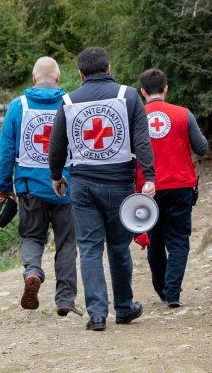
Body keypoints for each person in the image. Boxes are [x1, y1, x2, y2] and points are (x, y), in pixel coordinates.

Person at [48, 47, 156, 331]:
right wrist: (149, 177)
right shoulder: (129, 96)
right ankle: (123, 308)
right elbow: (142, 141)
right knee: (119, 248)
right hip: (119, 183)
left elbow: (56, 144)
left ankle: (97, 314)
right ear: (109, 69)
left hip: (82, 185)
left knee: (90, 249)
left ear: (81, 74)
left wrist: (56, 175)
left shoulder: (68, 101)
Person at [0, 57, 80, 316]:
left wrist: (3, 186)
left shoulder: (18, 106)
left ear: (34, 78)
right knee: (67, 243)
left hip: (30, 187)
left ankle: (32, 271)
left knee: (33, 236)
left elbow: (6, 150)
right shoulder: (71, 104)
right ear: (58, 78)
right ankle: (65, 299)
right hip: (66, 187)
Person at [137, 68, 208, 308]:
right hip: (181, 185)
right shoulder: (183, 114)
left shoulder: (135, 118)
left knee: (155, 239)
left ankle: (162, 290)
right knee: (178, 240)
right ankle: (173, 292)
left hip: (148, 189)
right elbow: (202, 148)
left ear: (142, 91)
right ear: (166, 89)